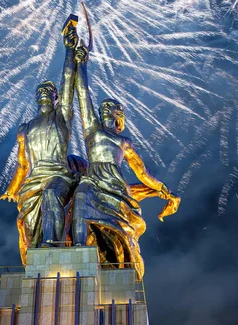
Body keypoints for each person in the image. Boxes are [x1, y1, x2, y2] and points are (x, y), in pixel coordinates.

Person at [71, 44, 180, 278]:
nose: (104, 108)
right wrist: (81, 64)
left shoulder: (124, 142)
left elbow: (142, 173)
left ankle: (115, 259)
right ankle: (79, 250)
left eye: (110, 107)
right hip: (93, 179)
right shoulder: (92, 130)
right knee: (80, 197)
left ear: (119, 115)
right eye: (103, 107)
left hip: (116, 186)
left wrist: (162, 188)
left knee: (117, 232)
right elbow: (83, 95)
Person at [0, 20, 82, 265]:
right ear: (36, 97)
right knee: (30, 226)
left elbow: (68, 81)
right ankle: (39, 259)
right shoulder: (24, 129)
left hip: (58, 176)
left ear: (56, 98)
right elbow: (23, 165)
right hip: (32, 182)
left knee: (51, 195)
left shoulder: (62, 117)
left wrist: (69, 50)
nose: (45, 91)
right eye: (41, 90)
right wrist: (12, 189)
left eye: (50, 90)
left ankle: (52, 248)